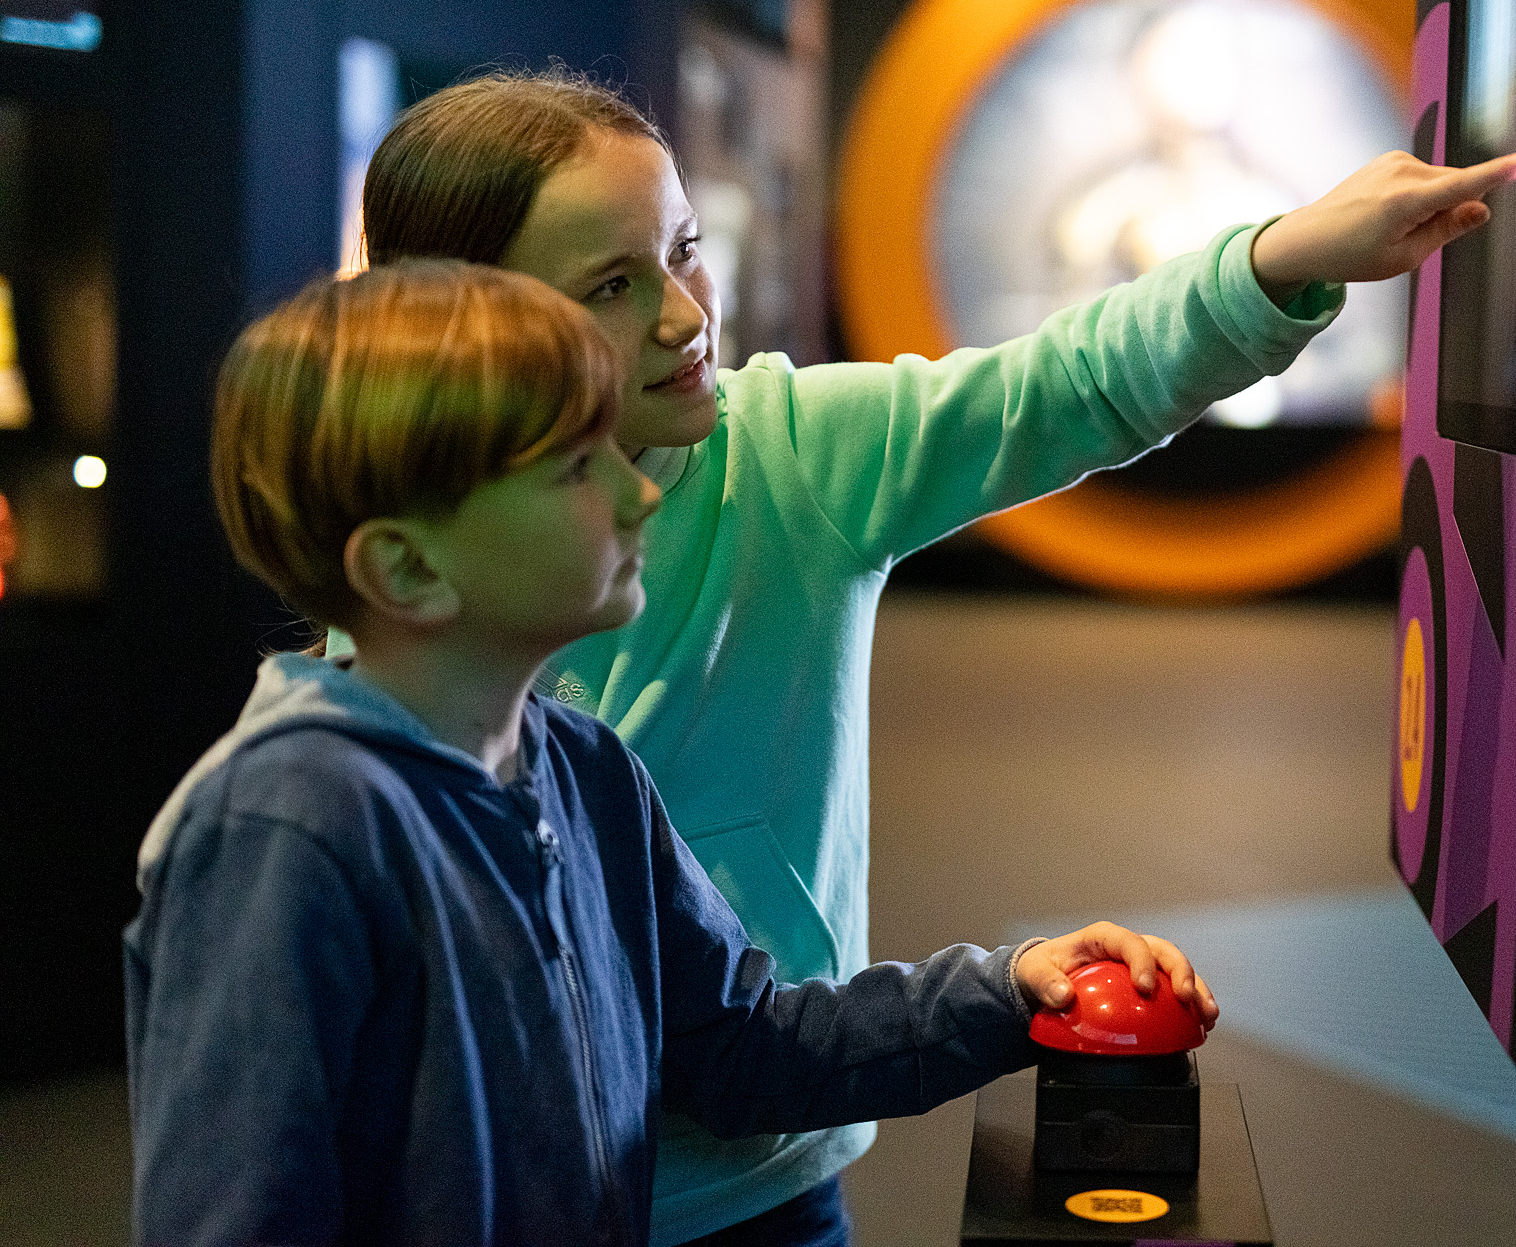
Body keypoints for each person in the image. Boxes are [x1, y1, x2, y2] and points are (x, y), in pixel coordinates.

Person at [353, 67, 1516, 1244]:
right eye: (610, 284)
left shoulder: (788, 455)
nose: (680, 313)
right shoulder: (386, 613)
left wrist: (1277, 260)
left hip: (754, 1175)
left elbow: (1066, 385)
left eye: (685, 251)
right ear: (465, 323)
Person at [125, 261, 1218, 1247]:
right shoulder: (286, 830)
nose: (640, 492)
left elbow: (744, 1047)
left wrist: (1009, 989)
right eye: (574, 469)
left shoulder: (584, 771)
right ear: (407, 569)